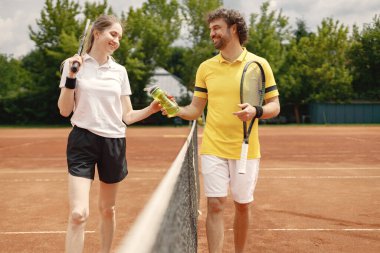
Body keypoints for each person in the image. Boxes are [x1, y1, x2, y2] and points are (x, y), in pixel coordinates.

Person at [162, 8, 281, 253]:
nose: (212, 34)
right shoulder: (206, 68)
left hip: (246, 149)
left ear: (233, 28)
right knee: (215, 204)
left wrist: (256, 111)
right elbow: (195, 109)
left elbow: (275, 106)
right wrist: (175, 109)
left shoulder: (259, 64)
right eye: (210, 30)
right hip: (213, 147)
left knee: (242, 205)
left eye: (216, 28)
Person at [58, 15, 160, 253]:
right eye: (113, 34)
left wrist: (152, 109)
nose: (117, 41)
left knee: (108, 209)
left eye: (119, 37)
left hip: (114, 141)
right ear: (96, 33)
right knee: (78, 214)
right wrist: (72, 76)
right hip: (82, 140)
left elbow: (128, 116)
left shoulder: (120, 71)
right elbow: (64, 111)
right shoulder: (72, 65)